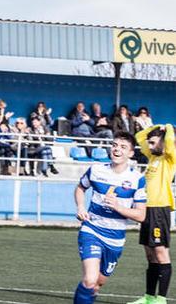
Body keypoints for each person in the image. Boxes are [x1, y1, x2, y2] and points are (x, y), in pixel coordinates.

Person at [73, 132, 146, 304]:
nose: (117, 149)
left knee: (98, 284)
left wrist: (118, 207)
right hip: (92, 230)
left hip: (115, 239)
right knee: (90, 279)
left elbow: (141, 215)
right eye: (114, 145)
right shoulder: (96, 170)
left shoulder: (137, 179)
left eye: (123, 147)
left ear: (130, 153)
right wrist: (81, 207)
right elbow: (80, 188)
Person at [128, 125, 176, 304]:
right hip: (146, 210)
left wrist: (168, 127)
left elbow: (170, 142)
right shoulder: (152, 158)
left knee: (161, 252)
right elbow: (139, 137)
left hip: (159, 210)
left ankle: (161, 299)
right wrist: (155, 127)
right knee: (150, 254)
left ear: (163, 143)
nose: (149, 145)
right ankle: (148, 297)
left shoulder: (170, 158)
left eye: (154, 143)